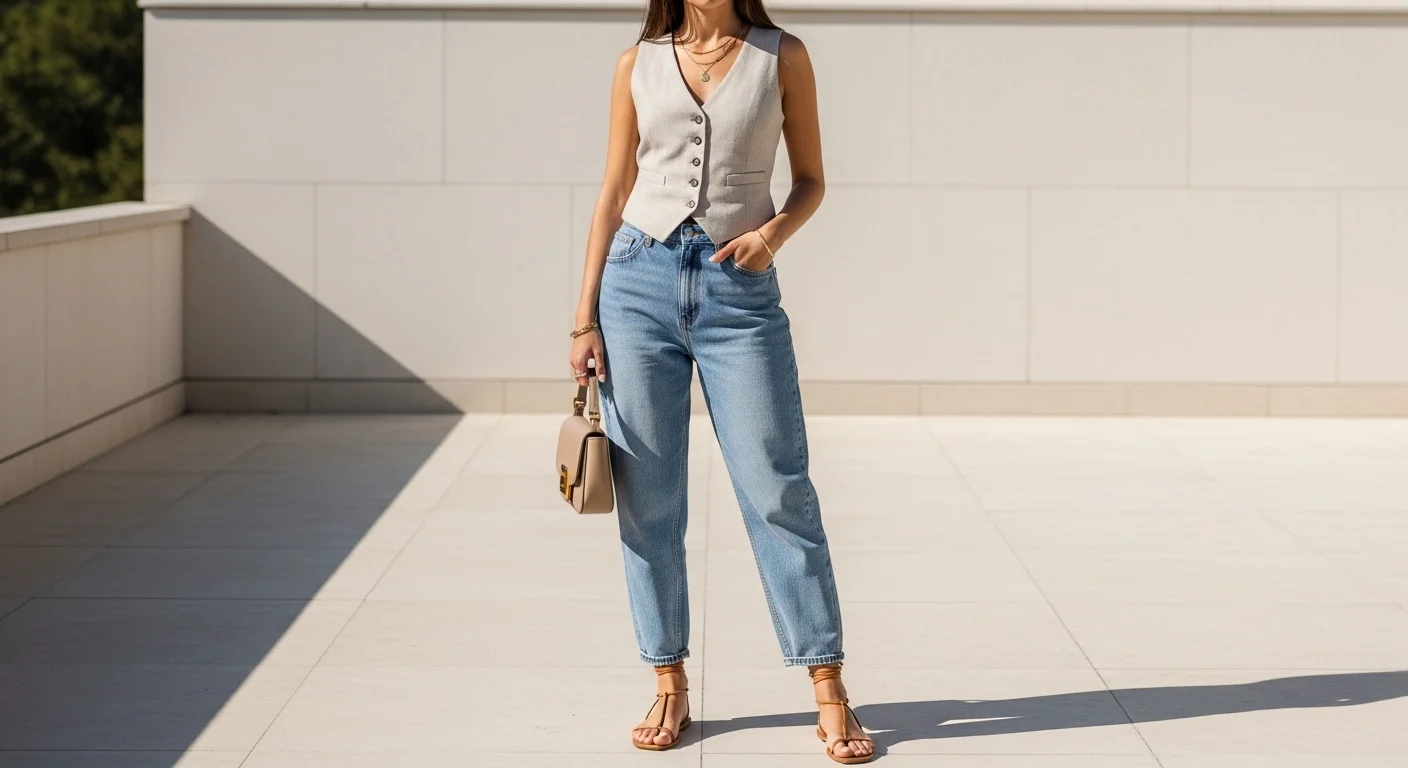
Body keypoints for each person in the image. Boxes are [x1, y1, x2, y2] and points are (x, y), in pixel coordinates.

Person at [567, 0, 874, 762]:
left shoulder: (783, 55)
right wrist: (583, 319)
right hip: (635, 285)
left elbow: (810, 180)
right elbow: (611, 192)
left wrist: (771, 236)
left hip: (739, 293)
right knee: (650, 498)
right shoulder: (635, 64)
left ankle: (828, 684)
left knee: (777, 487)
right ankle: (668, 680)